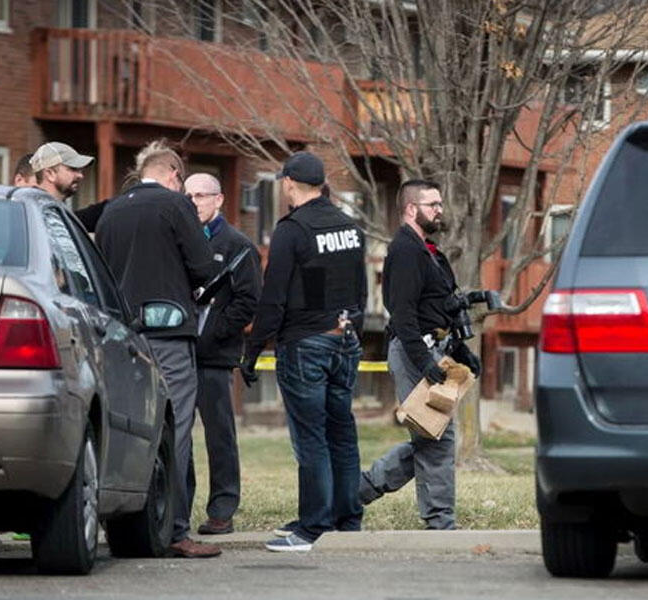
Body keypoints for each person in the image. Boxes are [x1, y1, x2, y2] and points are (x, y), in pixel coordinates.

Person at [95, 140, 222, 559]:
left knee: (129, 429)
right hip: (168, 334)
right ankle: (175, 530)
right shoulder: (175, 205)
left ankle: (123, 527)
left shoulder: (112, 211)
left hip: (121, 337)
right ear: (173, 174)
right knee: (175, 428)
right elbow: (203, 266)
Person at [241, 151, 367, 552]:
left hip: (305, 344)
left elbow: (274, 297)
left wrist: (253, 349)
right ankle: (347, 520)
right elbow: (358, 289)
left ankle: (312, 527)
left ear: (289, 183)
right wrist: (352, 330)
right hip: (345, 339)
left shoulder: (292, 230)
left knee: (311, 437)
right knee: (341, 433)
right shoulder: (350, 226)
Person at [358, 179, 481, 531]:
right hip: (415, 350)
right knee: (436, 437)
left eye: (440, 204)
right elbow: (403, 314)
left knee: (431, 436)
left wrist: (461, 350)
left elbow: (437, 308)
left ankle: (358, 491)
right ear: (412, 209)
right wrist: (424, 361)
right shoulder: (405, 250)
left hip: (434, 348)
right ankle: (440, 521)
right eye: (433, 205)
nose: (440, 210)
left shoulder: (429, 251)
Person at [184, 173, 262, 536]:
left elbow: (248, 301)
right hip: (178, 352)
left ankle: (222, 510)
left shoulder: (237, 244)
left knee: (220, 437)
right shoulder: (178, 239)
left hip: (214, 357)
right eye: (189, 196)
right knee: (176, 436)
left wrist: (214, 333)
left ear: (219, 200)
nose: (195, 202)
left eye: (202, 195)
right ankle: (177, 509)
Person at [28, 141, 108, 232]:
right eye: (73, 169)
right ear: (50, 174)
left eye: (80, 170)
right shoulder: (35, 214)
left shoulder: (54, 212)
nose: (80, 175)